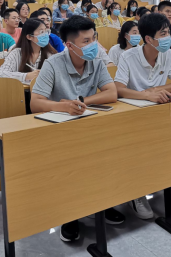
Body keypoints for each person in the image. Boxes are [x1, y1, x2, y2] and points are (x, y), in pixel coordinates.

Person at [30, 16, 121, 243]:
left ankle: (102, 204)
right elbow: (36, 103)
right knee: (71, 164)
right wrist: (64, 106)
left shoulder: (96, 62)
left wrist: (81, 101)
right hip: (59, 130)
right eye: (86, 41)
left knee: (112, 153)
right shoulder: (53, 64)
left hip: (88, 125)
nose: (93, 45)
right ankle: (69, 215)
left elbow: (111, 93)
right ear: (69, 45)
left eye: (94, 39)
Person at [114, 13, 171, 216]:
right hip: (133, 115)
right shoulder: (128, 56)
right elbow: (118, 89)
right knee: (141, 149)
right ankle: (137, 192)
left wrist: (157, 90)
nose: (169, 37)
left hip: (159, 112)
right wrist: (146, 95)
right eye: (164, 34)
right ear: (148, 39)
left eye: (168, 32)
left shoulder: (166, 54)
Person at [0, 18, 57, 84]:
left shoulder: (50, 54)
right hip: (20, 90)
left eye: (46, 31)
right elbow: (1, 74)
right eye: (41, 32)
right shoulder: (16, 53)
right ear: (29, 36)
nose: (45, 35)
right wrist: (26, 76)